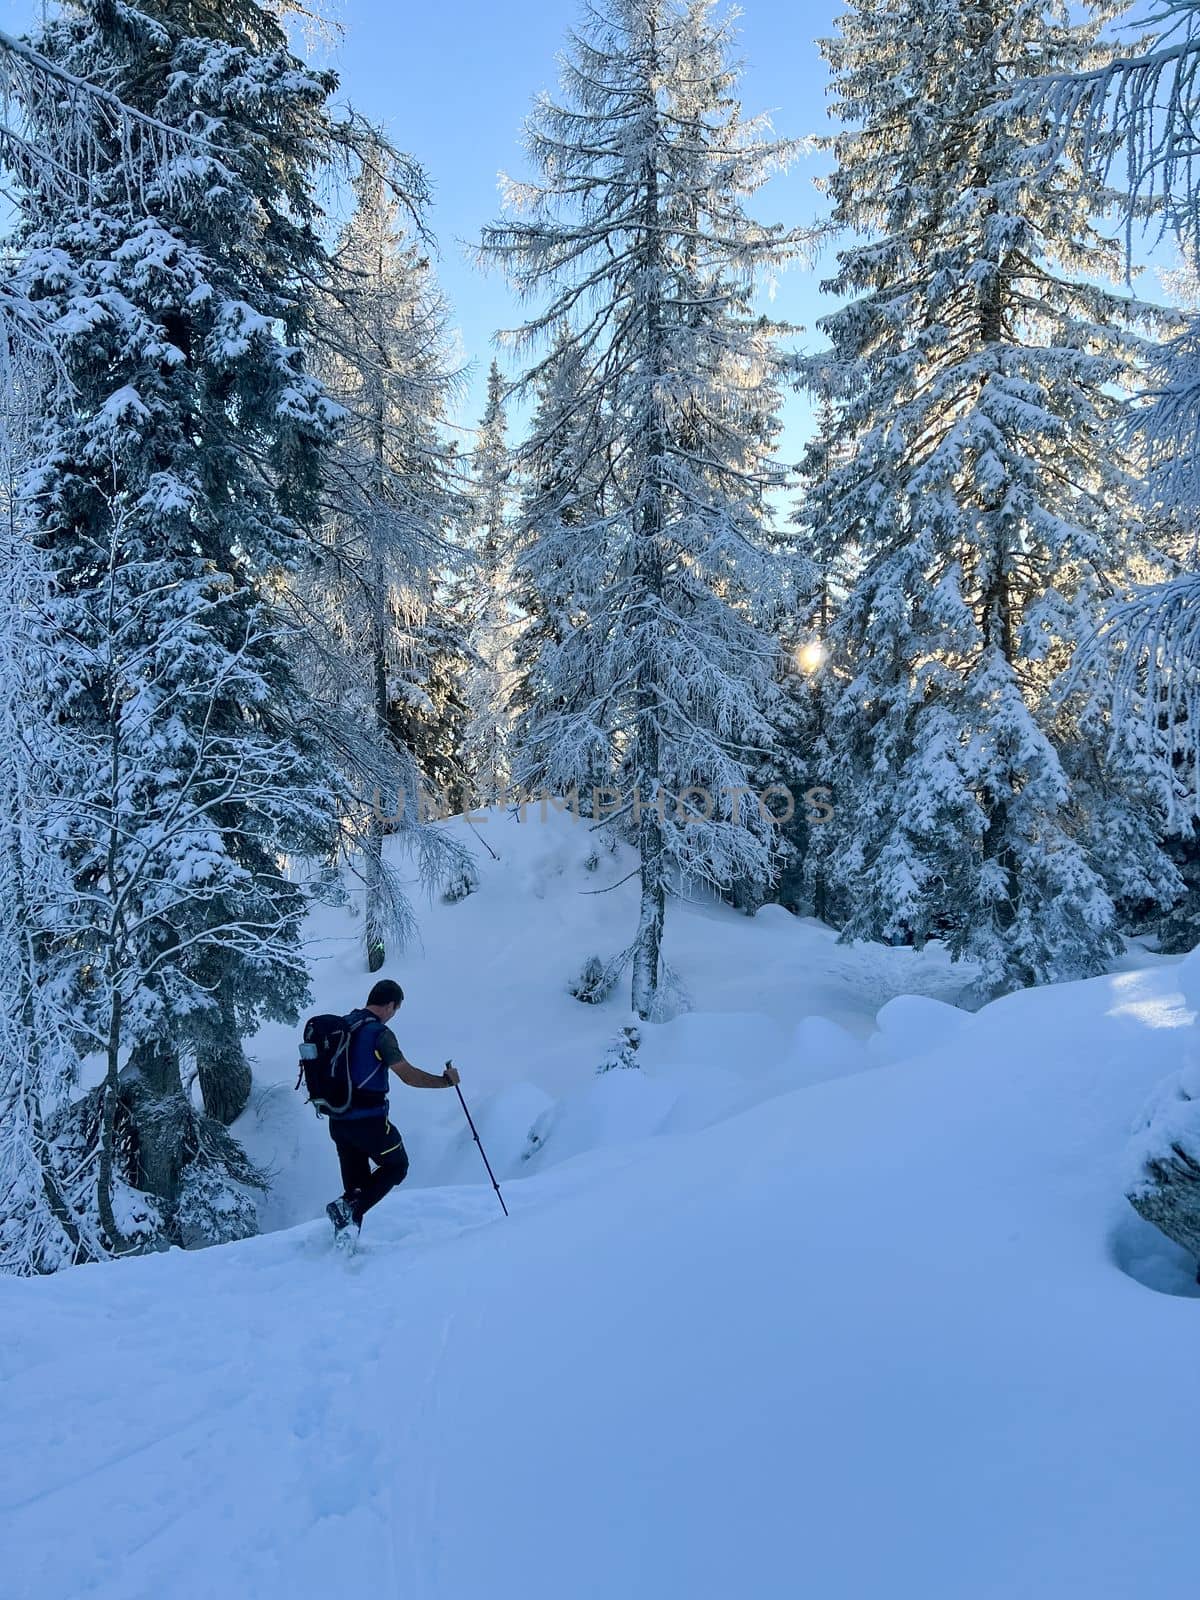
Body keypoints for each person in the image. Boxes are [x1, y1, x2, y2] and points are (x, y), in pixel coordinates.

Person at [325, 978, 460, 1243]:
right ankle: (347, 1211)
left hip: (338, 1120)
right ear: (389, 1005)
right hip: (370, 1123)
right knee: (397, 1166)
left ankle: (345, 1243)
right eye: (395, 1009)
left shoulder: (343, 1025)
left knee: (357, 1189)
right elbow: (408, 1075)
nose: (393, 1015)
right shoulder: (379, 1034)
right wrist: (445, 1081)